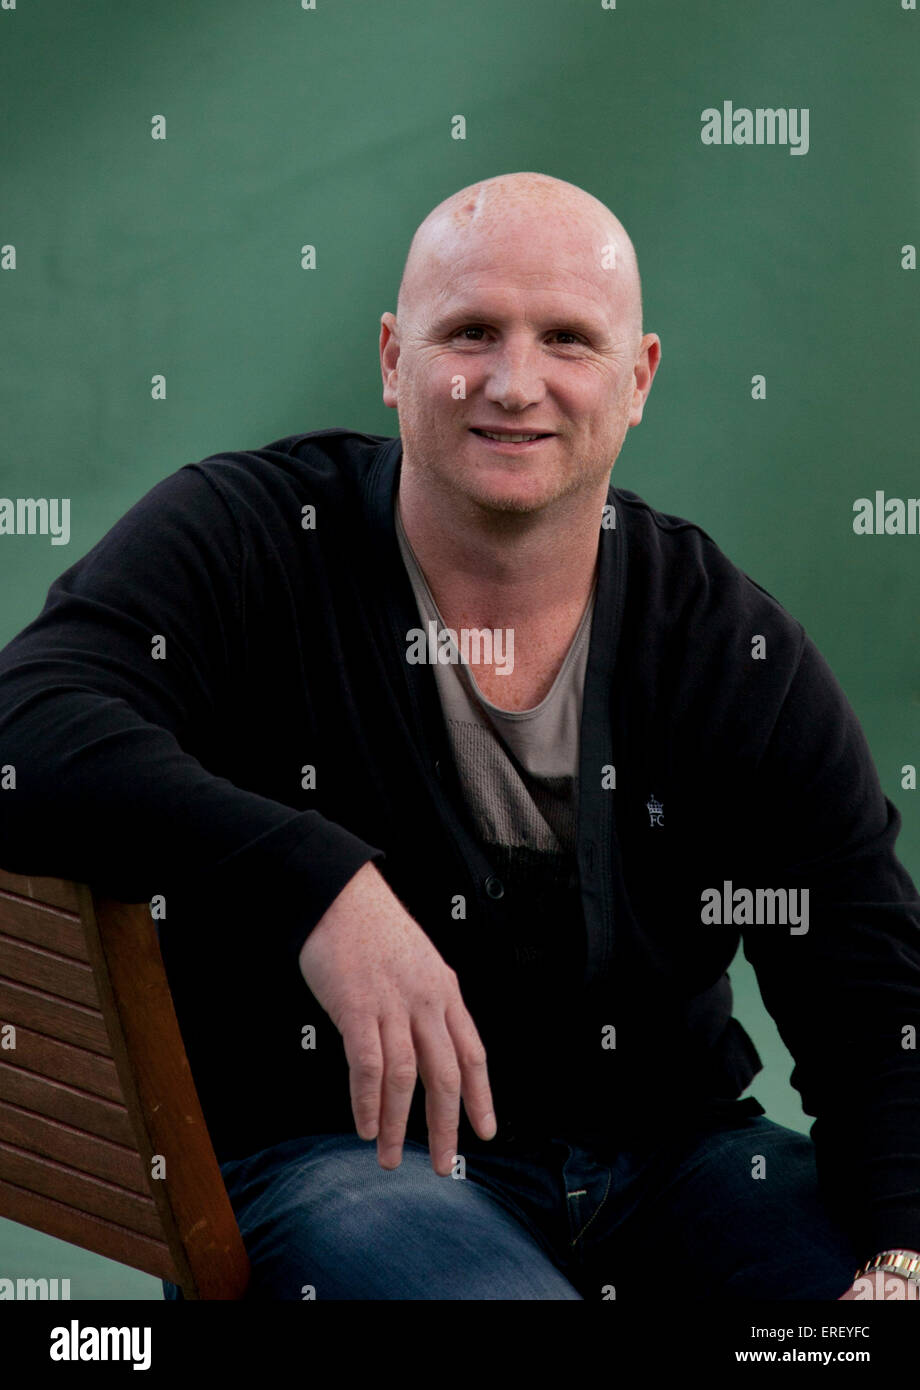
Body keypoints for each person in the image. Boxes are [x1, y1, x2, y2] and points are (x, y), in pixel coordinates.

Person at [0, 172, 918, 1301]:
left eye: (568, 340)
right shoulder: (247, 537)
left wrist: (900, 1253)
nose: (513, 382)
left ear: (637, 380)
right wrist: (316, 881)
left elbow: (875, 1009)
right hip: (343, 1165)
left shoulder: (729, 647)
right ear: (392, 357)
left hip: (678, 1165)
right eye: (470, 330)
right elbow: (27, 727)